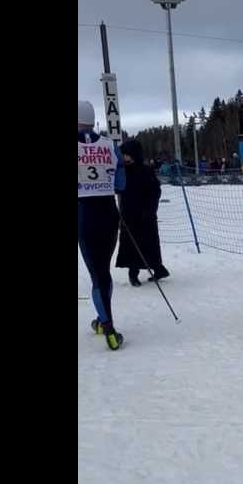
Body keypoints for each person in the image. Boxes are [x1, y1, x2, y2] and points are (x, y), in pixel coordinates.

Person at [77, 99, 126, 350]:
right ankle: (101, 319)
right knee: (103, 270)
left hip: (84, 213)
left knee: (97, 274)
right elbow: (120, 183)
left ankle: (108, 328)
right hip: (108, 211)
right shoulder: (110, 145)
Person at [116, 138, 168, 285]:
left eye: (128, 155)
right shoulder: (122, 171)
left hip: (145, 215)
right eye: (123, 155)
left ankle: (158, 269)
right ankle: (133, 273)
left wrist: (149, 211)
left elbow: (155, 192)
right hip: (128, 215)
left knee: (149, 243)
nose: (125, 158)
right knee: (131, 244)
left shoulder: (146, 171)